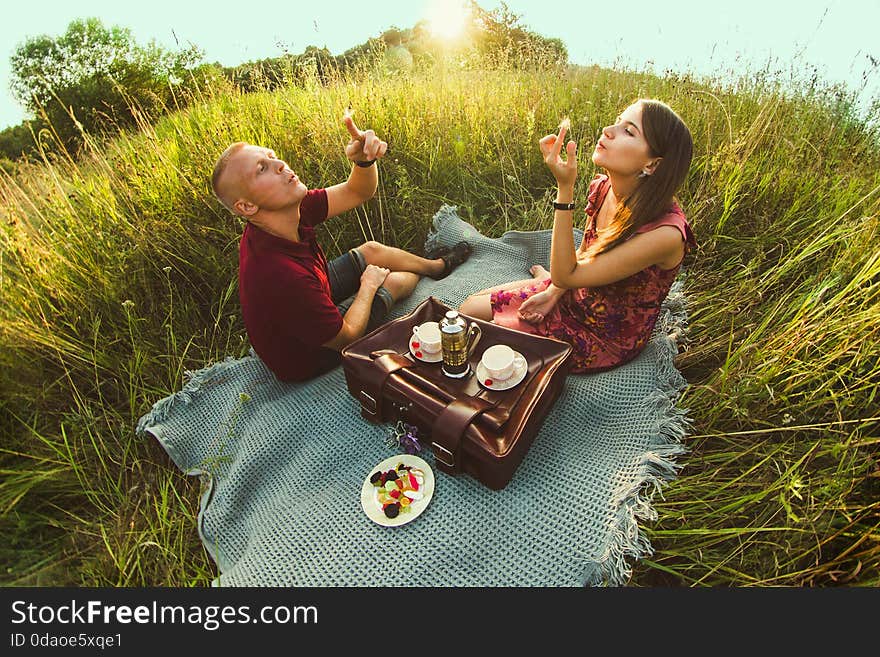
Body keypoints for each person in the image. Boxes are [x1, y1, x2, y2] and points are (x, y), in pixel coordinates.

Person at [211, 114, 471, 382]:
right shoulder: (279, 274)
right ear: (246, 207)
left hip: (311, 295)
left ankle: (437, 267)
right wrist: (368, 285)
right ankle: (413, 275)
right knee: (397, 280)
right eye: (261, 169)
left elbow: (357, 192)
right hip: (309, 355)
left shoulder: (285, 211)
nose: (279, 164)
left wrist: (364, 161)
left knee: (371, 250)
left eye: (272, 156)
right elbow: (347, 336)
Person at [460, 99, 695, 373]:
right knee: (468, 307)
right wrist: (553, 291)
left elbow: (567, 274)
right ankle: (544, 282)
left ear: (653, 165)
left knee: (475, 329)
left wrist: (565, 188)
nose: (608, 130)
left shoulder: (665, 234)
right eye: (618, 121)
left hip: (601, 335)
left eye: (629, 131)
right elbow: (585, 252)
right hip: (576, 290)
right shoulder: (605, 187)